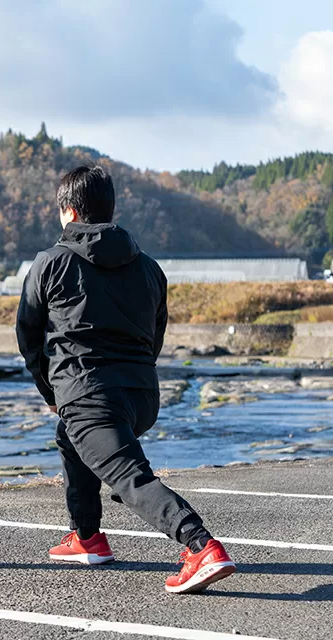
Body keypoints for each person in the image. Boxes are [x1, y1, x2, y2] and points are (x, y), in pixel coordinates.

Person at [15, 165, 235, 594]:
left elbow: (28, 336)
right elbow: (155, 335)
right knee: (71, 437)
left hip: (87, 393)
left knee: (129, 478)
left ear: (70, 213)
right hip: (141, 398)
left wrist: (52, 391)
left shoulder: (51, 262)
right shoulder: (149, 267)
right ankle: (86, 537)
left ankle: (200, 546)